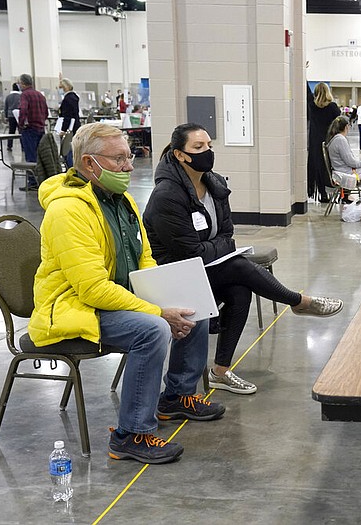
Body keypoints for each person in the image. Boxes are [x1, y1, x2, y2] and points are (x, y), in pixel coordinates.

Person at [29, 122, 225, 464]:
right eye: (119, 159)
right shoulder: (67, 211)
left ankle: (177, 396)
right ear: (90, 164)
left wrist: (165, 297)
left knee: (193, 306)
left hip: (114, 297)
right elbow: (92, 289)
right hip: (75, 307)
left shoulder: (122, 201)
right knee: (153, 329)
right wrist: (156, 311)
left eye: (129, 157)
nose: (130, 166)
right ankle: (130, 434)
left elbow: (144, 257)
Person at [143, 123, 344, 394]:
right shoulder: (167, 195)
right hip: (175, 274)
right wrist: (219, 247)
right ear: (180, 155)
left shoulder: (214, 184)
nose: (207, 152)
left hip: (205, 268)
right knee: (237, 266)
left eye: (209, 146)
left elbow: (227, 234)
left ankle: (220, 371)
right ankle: (298, 301)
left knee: (240, 289)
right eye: (198, 147)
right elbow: (189, 252)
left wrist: (216, 246)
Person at [307, 82, 341, 202]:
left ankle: (323, 193)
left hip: (315, 140)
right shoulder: (332, 107)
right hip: (330, 139)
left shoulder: (311, 106)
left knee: (319, 167)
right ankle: (339, 191)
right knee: (333, 166)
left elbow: (307, 92)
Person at [17, 73, 49, 191]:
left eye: (20, 83)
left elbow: (23, 110)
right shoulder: (40, 95)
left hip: (30, 129)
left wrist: (21, 124)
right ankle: (42, 180)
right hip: (41, 129)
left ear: (23, 83)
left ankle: (32, 182)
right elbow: (46, 112)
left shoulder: (25, 95)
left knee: (30, 157)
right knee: (40, 156)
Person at [58, 77, 81, 168]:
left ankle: (72, 169)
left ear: (66, 87)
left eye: (60, 87)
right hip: (75, 126)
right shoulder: (74, 97)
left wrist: (63, 129)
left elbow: (67, 116)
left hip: (70, 128)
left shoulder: (68, 99)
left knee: (68, 151)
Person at [3, 82, 21, 151]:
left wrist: (6, 116)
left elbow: (6, 107)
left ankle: (9, 146)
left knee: (11, 131)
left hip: (10, 115)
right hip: (19, 115)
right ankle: (23, 146)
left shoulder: (8, 97)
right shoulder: (20, 96)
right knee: (20, 131)